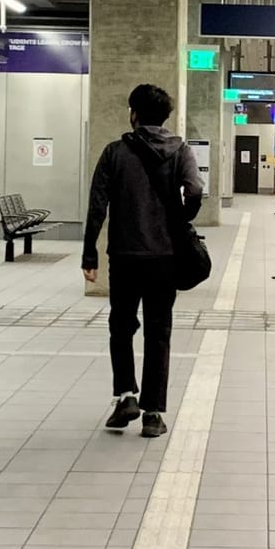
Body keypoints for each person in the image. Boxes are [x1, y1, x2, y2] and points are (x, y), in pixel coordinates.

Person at [82, 83, 203, 439]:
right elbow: (195, 189)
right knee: (158, 331)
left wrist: (89, 254)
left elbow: (96, 206)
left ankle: (126, 396)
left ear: (133, 114)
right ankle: (153, 413)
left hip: (124, 256)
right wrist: (181, 218)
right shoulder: (180, 150)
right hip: (164, 256)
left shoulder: (114, 152)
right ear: (166, 117)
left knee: (121, 328)